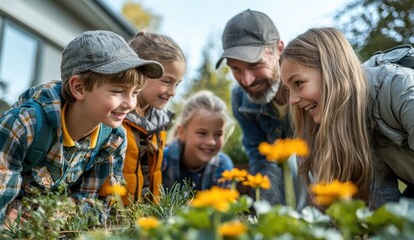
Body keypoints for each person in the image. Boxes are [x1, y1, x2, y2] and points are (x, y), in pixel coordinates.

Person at [0, 30, 164, 225]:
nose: (130, 103)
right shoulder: (21, 127)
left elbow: (99, 207)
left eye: (135, 92)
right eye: (118, 91)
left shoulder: (114, 139)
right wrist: (15, 218)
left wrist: (63, 208)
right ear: (78, 88)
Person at [280, 27, 414, 207]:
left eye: (299, 83)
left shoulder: (399, 88)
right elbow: (382, 199)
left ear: (332, 71)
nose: (292, 100)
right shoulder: (355, 119)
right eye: (288, 89)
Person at [216, 9, 304, 208]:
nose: (246, 80)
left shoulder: (310, 83)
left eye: (255, 64)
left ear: (278, 48)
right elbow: (261, 159)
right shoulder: (240, 99)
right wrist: (268, 214)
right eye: (235, 69)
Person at [99, 31, 186, 205]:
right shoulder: (114, 117)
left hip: (143, 215)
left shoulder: (159, 124)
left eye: (177, 84)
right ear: (142, 73)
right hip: (111, 215)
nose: (173, 92)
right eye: (167, 81)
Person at [162, 90, 234, 191]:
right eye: (202, 133)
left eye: (218, 134)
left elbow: (224, 204)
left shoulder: (222, 166)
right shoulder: (163, 161)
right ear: (182, 132)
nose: (211, 142)